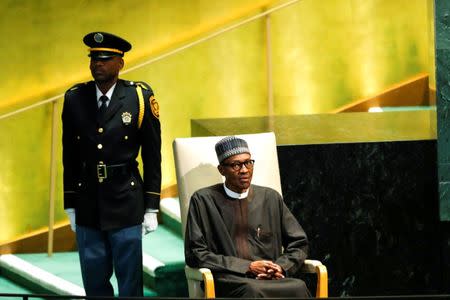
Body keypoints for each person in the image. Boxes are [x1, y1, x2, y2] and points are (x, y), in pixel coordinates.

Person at [61, 31, 161, 297]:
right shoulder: (74, 98)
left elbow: (152, 155)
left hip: (126, 200)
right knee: (94, 282)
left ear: (121, 63)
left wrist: (151, 206)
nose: (98, 64)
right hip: (88, 200)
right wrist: (69, 202)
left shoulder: (138, 97)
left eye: (105, 59)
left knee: (130, 283)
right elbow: (69, 155)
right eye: (94, 59)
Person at [184, 136, 311, 298]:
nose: (244, 170)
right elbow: (195, 253)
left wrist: (280, 267)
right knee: (252, 291)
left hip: (271, 277)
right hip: (230, 278)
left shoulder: (270, 197)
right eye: (236, 165)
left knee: (298, 287)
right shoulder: (203, 200)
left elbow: (299, 243)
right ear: (222, 170)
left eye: (248, 163)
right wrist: (247, 266)